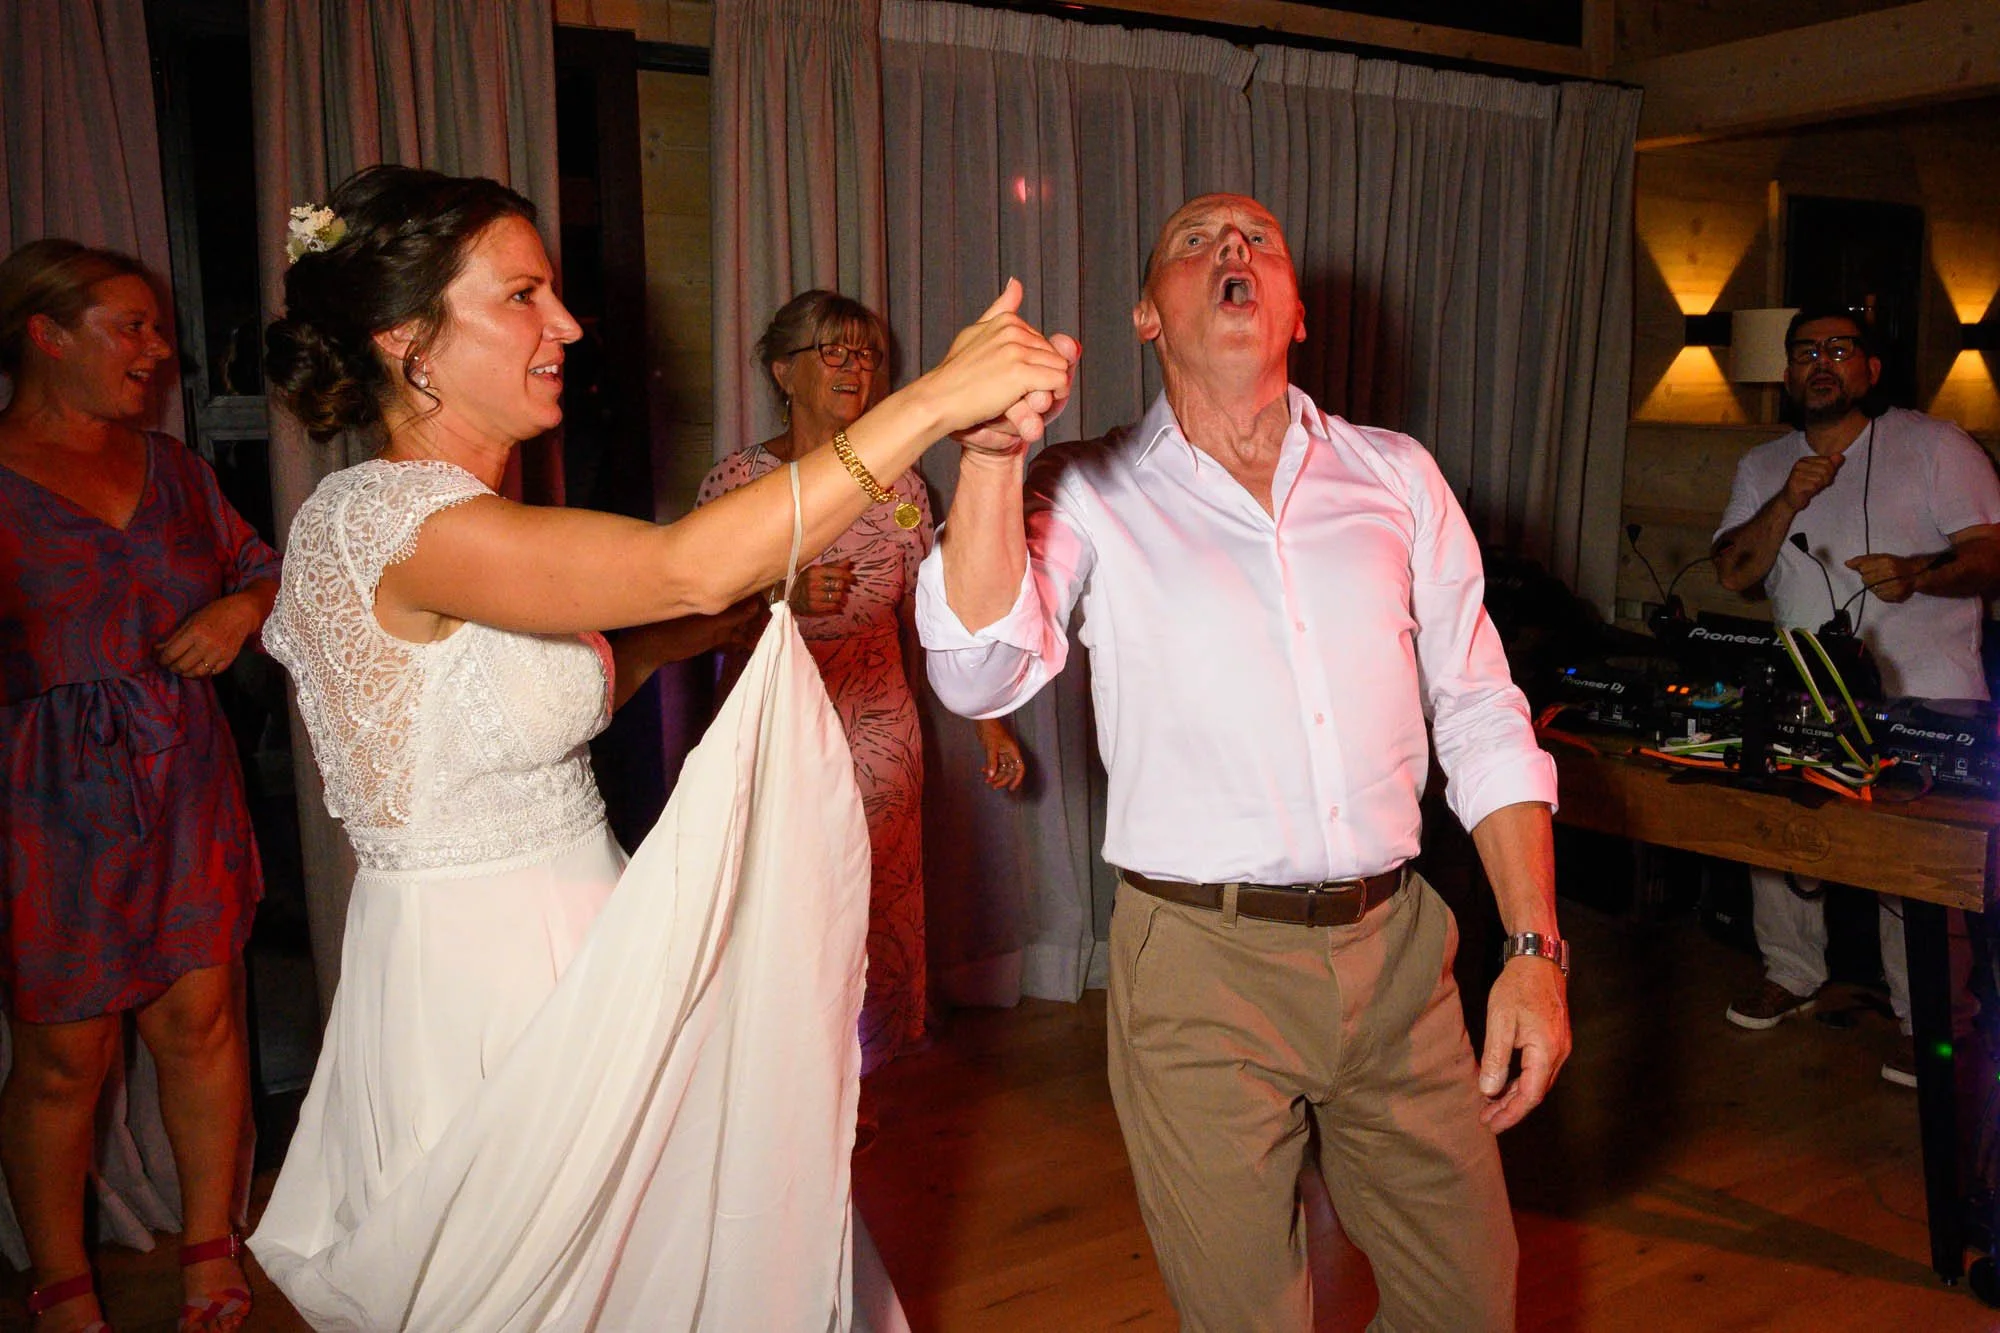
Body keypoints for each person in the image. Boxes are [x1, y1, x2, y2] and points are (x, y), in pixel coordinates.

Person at [243, 165, 1072, 1329]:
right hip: (479, 978)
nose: (567, 324)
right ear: (407, 340)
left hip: (595, 933)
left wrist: (694, 636)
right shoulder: (384, 519)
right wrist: (930, 401)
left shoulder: (481, 522)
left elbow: (570, 669)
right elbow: (691, 557)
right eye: (522, 295)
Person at [917, 193, 1569, 1331]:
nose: (1230, 250)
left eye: (1257, 239)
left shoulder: (1397, 476)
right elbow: (976, 675)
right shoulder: (1083, 488)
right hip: (1199, 969)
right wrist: (986, 460)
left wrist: (1530, 947)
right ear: (1145, 316)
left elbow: (1477, 711)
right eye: (1193, 241)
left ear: (1296, 311)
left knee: (1467, 1302)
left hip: (1400, 952)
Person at [0, 240, 278, 1333]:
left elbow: (260, 565)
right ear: (45, 333)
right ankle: (60, 1271)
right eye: (132, 325)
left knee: (202, 1021)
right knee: (66, 1056)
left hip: (185, 775)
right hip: (44, 801)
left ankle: (209, 1241)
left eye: (159, 328)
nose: (159, 351)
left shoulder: (175, 471)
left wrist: (236, 612)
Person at [698, 290, 1025, 1075]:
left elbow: (933, 616)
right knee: (783, 901)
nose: (855, 368)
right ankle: (779, 1072)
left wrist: (989, 722)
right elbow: (696, 611)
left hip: (882, 731)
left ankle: (864, 1072)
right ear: (784, 369)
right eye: (833, 352)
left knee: (874, 900)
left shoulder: (903, 489)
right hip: (776, 727)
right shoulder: (740, 480)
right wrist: (780, 596)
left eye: (866, 354)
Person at [1713, 305, 2000, 1084]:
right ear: (1787, 372)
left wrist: (1919, 573)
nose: (1821, 362)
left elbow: (1991, 557)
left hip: (1927, 695)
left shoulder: (1937, 446)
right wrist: (1787, 503)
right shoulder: (1764, 465)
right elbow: (1734, 572)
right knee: (1779, 838)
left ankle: (1930, 1016)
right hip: (1807, 689)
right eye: (1805, 350)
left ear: (1871, 368)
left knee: (1911, 864)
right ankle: (1791, 970)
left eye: (1840, 348)